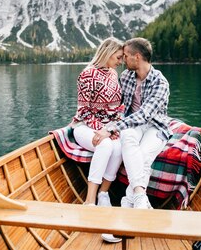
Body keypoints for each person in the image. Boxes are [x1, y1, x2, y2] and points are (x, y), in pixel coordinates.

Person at [92, 37, 171, 209]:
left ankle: (130, 199)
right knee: (127, 136)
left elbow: (144, 115)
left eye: (126, 56)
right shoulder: (126, 76)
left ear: (137, 57)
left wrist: (110, 129)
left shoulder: (160, 82)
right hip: (132, 125)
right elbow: (115, 104)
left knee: (142, 154)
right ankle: (139, 198)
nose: (122, 60)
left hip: (155, 125)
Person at [69, 37, 125, 209]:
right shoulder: (87, 74)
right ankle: (90, 200)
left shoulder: (114, 74)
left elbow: (119, 107)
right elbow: (84, 111)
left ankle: (103, 193)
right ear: (107, 53)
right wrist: (103, 130)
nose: (120, 61)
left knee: (118, 147)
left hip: (108, 127)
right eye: (118, 57)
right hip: (84, 126)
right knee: (105, 145)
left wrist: (112, 128)